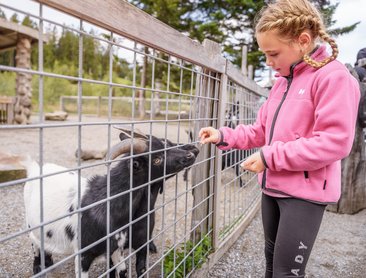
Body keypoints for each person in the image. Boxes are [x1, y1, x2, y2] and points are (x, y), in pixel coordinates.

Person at [199, 0, 360, 277]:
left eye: (273, 53)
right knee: (271, 262)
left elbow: (335, 141)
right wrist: (224, 134)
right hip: (272, 188)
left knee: (287, 271)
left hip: (304, 196)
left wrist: (269, 157)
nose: (268, 62)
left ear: (303, 41)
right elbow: (261, 130)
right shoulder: (283, 81)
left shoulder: (333, 77)